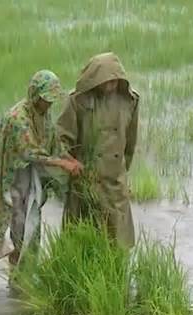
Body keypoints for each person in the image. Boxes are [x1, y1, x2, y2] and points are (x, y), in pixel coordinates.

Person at [0, 69, 83, 269]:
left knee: (33, 220)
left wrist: (70, 159)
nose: (49, 104)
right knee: (19, 222)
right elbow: (29, 152)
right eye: (46, 99)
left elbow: (53, 142)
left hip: (31, 175)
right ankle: (18, 273)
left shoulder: (43, 114)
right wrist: (63, 164)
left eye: (51, 100)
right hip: (13, 177)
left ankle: (27, 271)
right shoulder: (18, 118)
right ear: (35, 95)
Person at [57, 52, 139, 249]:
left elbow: (130, 142)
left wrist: (121, 172)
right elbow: (61, 140)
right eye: (105, 81)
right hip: (85, 178)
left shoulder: (130, 101)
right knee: (81, 237)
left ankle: (116, 274)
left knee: (117, 238)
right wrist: (70, 165)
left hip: (114, 180)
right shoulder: (77, 102)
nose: (110, 85)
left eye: (114, 81)